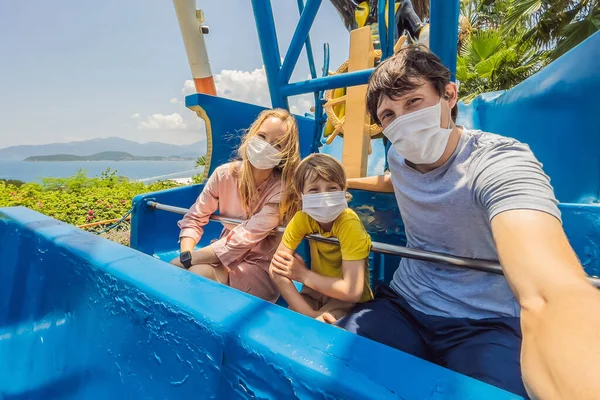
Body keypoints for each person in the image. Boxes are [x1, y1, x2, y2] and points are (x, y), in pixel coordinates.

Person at [338, 44, 600, 399]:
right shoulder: (399, 155)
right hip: (406, 302)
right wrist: (345, 182)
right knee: (331, 366)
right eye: (388, 115)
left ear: (449, 96)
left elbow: (548, 291)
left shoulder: (498, 162)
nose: (402, 122)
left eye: (413, 103)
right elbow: (390, 178)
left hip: (486, 323)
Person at [171, 108, 300, 303]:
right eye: (262, 136)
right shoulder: (224, 175)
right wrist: (186, 253)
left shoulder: (283, 189)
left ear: (286, 153)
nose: (266, 146)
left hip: (259, 265)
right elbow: (195, 218)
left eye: (277, 144)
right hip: (220, 254)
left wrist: (187, 260)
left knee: (198, 275)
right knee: (191, 276)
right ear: (250, 136)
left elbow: (245, 236)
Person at [269, 153, 373, 323]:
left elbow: (352, 291)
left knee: (321, 327)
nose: (324, 195)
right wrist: (307, 313)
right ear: (301, 194)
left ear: (343, 190)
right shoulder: (302, 219)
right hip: (313, 293)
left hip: (347, 301)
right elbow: (276, 269)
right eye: (314, 190)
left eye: (331, 188)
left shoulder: (348, 223)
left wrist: (303, 275)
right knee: (286, 323)